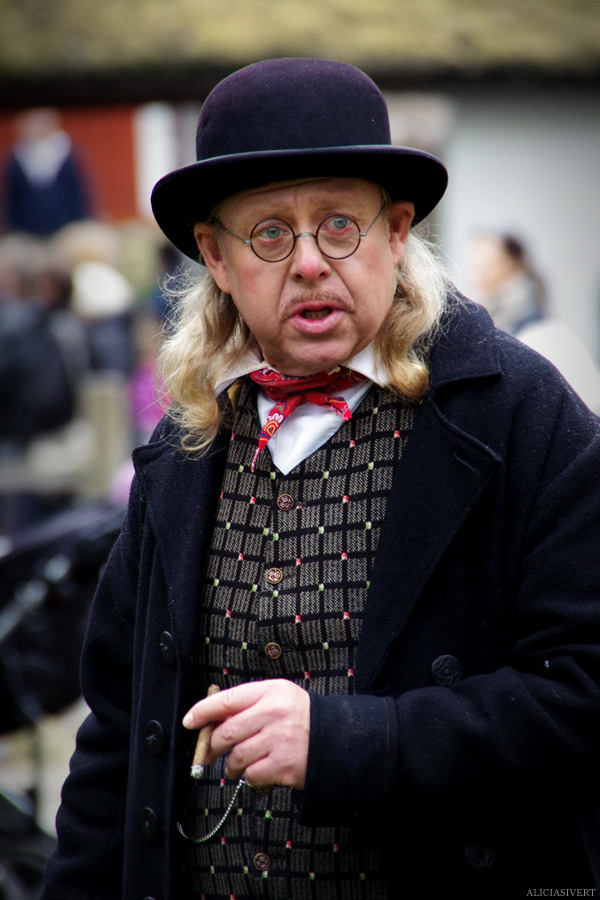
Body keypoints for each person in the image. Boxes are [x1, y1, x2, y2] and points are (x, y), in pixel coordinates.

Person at [41, 58, 600, 900]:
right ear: (216, 258)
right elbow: (120, 738)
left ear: (397, 231)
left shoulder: (518, 415)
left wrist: (351, 742)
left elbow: (585, 693)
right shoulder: (185, 445)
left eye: (339, 225)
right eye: (269, 233)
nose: (308, 263)